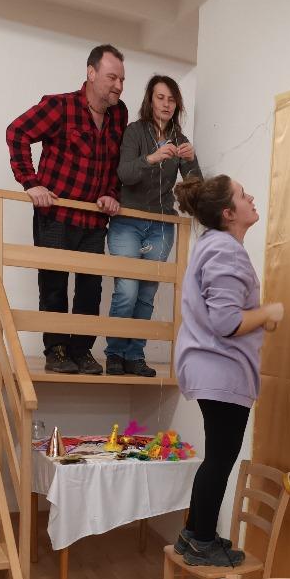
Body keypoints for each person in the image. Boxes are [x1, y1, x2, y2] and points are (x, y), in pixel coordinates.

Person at [173, 176, 284, 567]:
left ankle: (194, 534)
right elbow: (226, 322)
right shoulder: (225, 251)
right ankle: (202, 541)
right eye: (242, 194)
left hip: (211, 367)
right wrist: (267, 313)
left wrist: (258, 317)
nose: (250, 197)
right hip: (221, 370)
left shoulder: (212, 244)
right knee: (220, 459)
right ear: (228, 212)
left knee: (216, 457)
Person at [6, 44, 128, 375]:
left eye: (122, 80)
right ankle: (56, 350)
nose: (118, 86)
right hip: (56, 216)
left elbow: (116, 163)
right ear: (91, 73)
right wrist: (30, 183)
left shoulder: (119, 114)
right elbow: (17, 132)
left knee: (90, 288)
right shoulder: (60, 106)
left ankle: (82, 350)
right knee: (54, 285)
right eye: (112, 77)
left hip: (93, 219)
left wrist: (111, 193)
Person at [105, 76, 202, 377]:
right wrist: (152, 157)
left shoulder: (180, 138)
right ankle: (114, 354)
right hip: (127, 222)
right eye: (160, 98)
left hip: (161, 225)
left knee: (147, 294)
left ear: (177, 105)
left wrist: (192, 161)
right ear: (150, 100)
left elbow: (196, 190)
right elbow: (124, 174)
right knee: (127, 290)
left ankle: (135, 355)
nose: (166, 104)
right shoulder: (135, 131)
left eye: (171, 100)